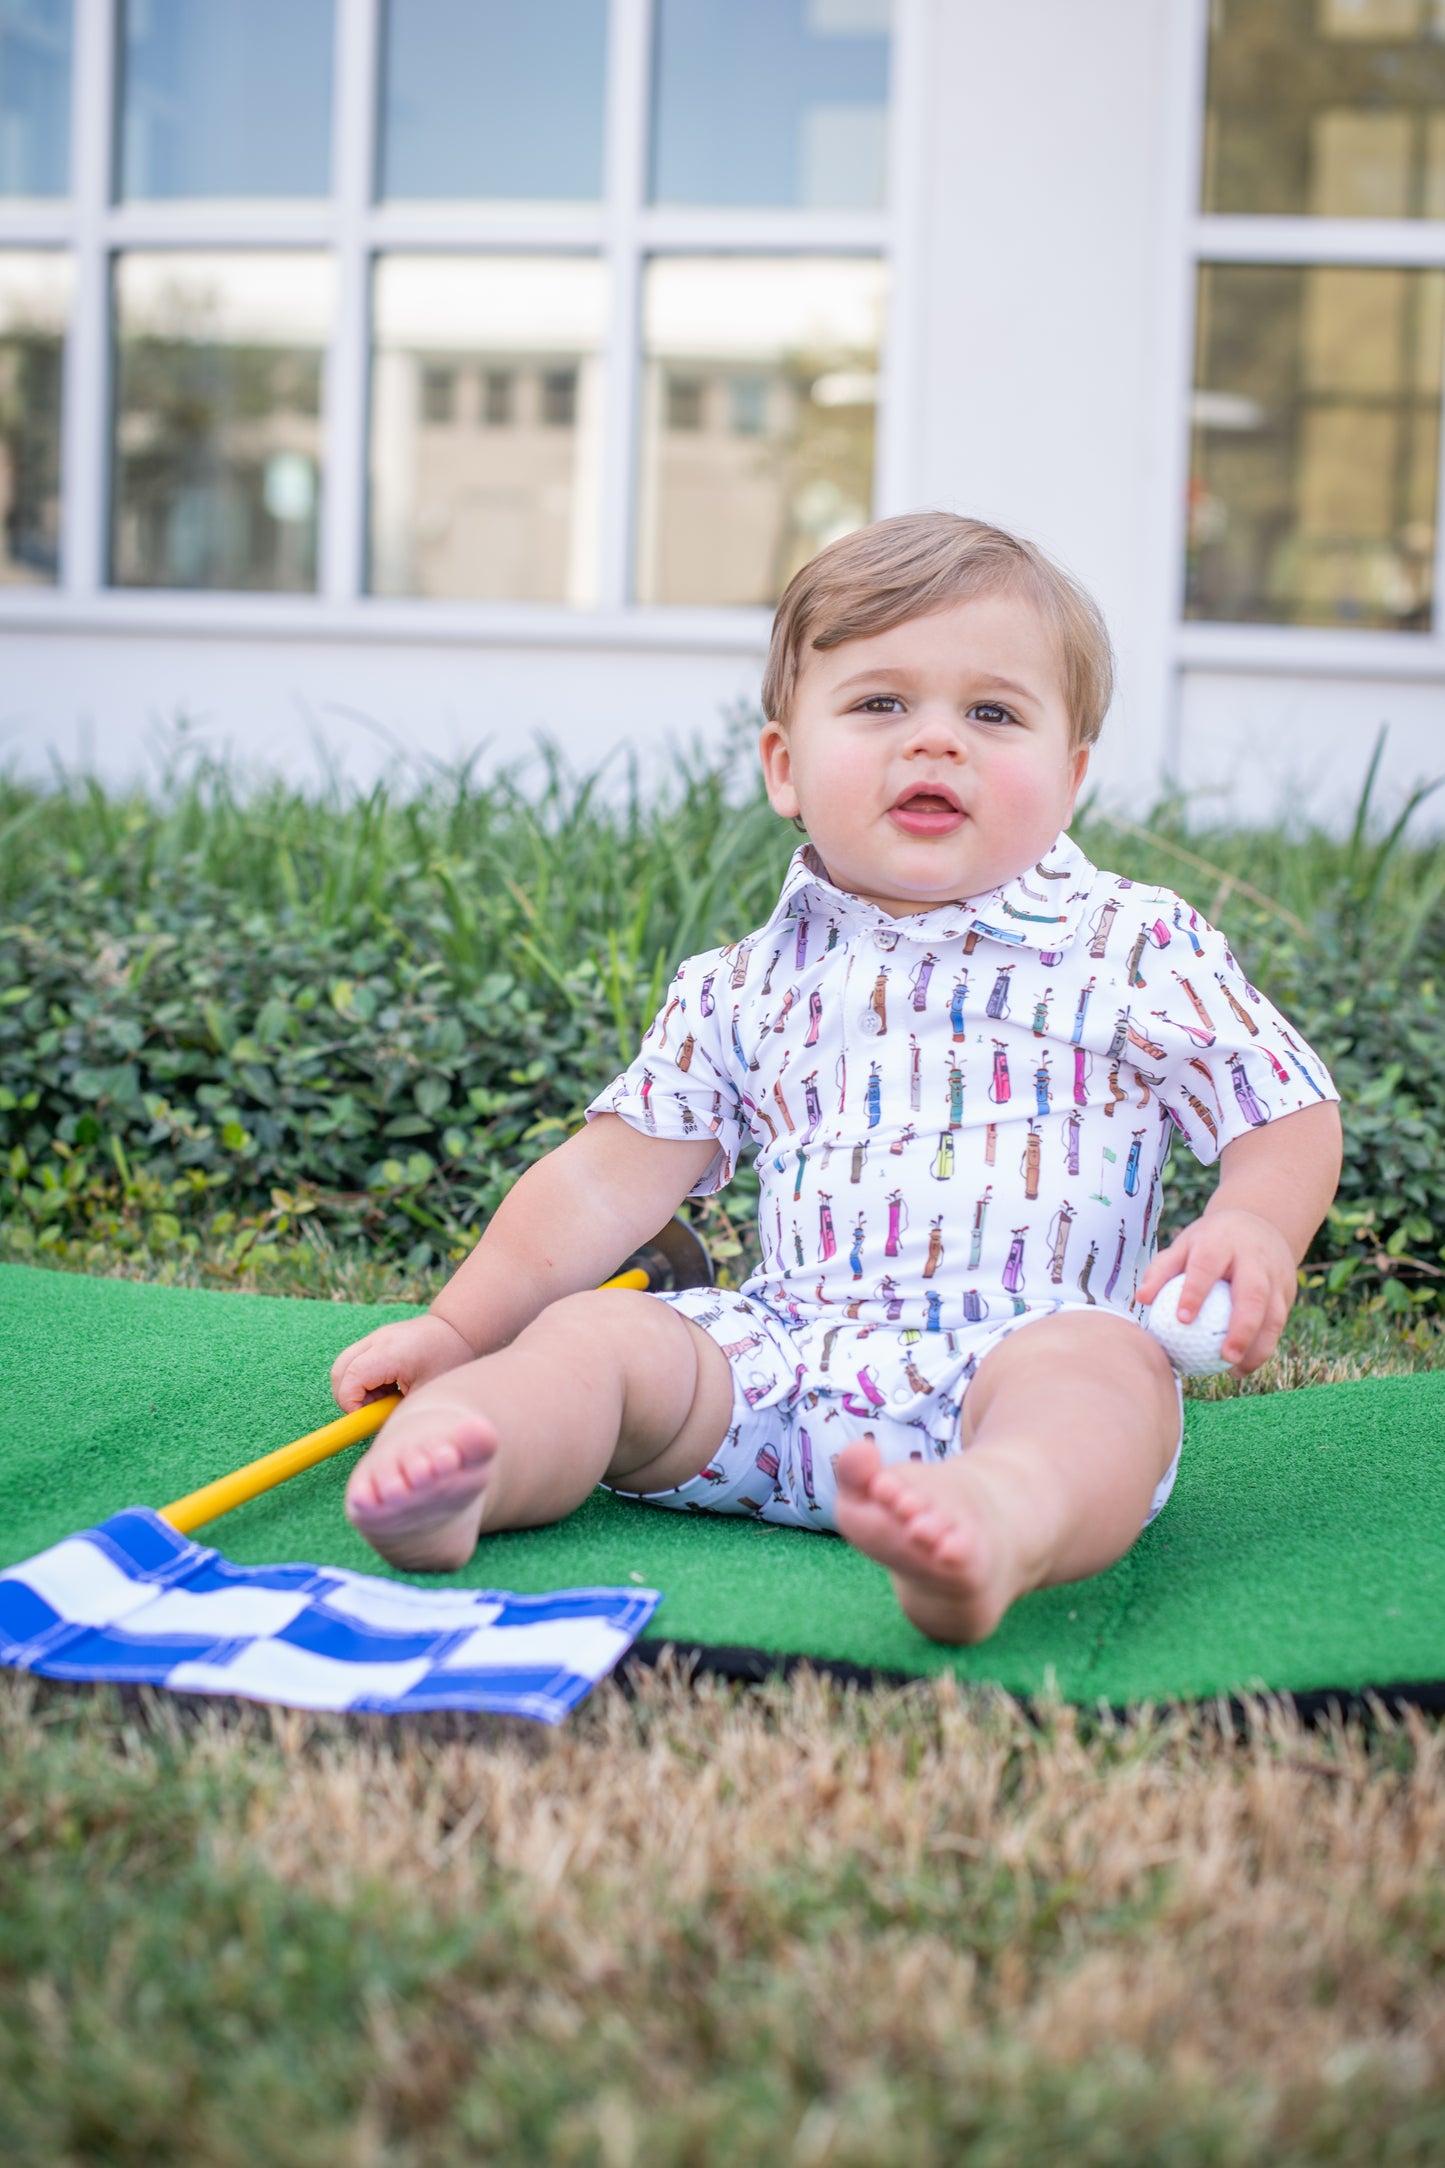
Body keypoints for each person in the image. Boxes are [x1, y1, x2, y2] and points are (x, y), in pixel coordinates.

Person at [330, 513, 1343, 1645]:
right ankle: (474, 1461)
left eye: (991, 712)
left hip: (1022, 1355)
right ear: (784, 766)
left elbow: (1279, 1103)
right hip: (779, 1366)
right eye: (878, 704)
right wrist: (459, 1329)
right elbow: (596, 1187)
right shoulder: (740, 984)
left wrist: (1255, 1224)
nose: (935, 742)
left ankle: (993, 1519)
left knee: (1107, 1377)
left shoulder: (1131, 944)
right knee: (595, 1340)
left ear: (1067, 779)